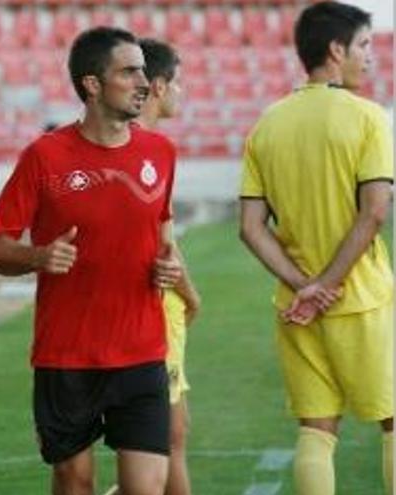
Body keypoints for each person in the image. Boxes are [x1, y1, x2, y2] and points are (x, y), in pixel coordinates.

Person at [0, 26, 183, 495]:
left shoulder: (161, 152)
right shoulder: (44, 157)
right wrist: (39, 256)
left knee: (147, 488)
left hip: (142, 351)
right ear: (92, 84)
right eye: (129, 72)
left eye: (145, 72)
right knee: (75, 482)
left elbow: (156, 234)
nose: (144, 82)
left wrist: (165, 269)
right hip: (67, 355)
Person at [239, 2, 393, 495]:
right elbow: (373, 212)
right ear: (336, 49)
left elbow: (251, 227)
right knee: (392, 421)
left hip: (297, 306)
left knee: (316, 429)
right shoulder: (368, 117)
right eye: (365, 45)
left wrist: (304, 287)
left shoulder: (267, 123)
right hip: (361, 299)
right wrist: (327, 285)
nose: (371, 57)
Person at [136, 38, 201, 495]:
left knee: (170, 434)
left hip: (158, 307)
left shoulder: (153, 146)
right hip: (154, 309)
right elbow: (162, 252)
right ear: (158, 86)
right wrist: (192, 296)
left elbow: (166, 241)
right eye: (178, 82)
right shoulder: (148, 149)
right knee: (170, 437)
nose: (183, 91)